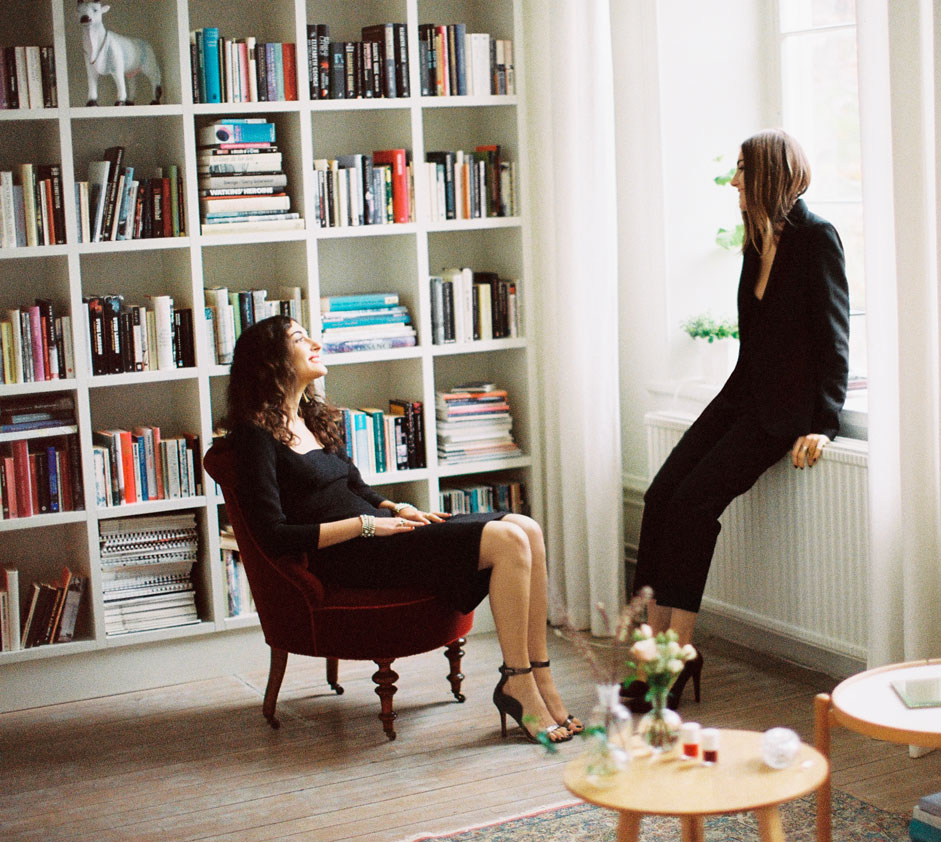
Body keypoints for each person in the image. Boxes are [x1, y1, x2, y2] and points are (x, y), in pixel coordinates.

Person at [222, 315, 578, 744]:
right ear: (270, 361)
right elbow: (273, 534)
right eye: (300, 338)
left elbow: (355, 486)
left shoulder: (310, 418)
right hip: (350, 556)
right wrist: (367, 526)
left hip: (382, 535)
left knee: (526, 527)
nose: (315, 343)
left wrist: (397, 507)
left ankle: (539, 676)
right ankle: (517, 683)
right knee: (507, 539)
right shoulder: (255, 437)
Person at [629, 128, 850, 710]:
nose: (733, 182)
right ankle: (651, 649)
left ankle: (677, 653)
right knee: (659, 496)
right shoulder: (756, 242)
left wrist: (824, 423)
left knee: (692, 505)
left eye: (742, 171)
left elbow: (834, 338)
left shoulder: (818, 238)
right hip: (740, 396)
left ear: (769, 174)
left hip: (781, 412)